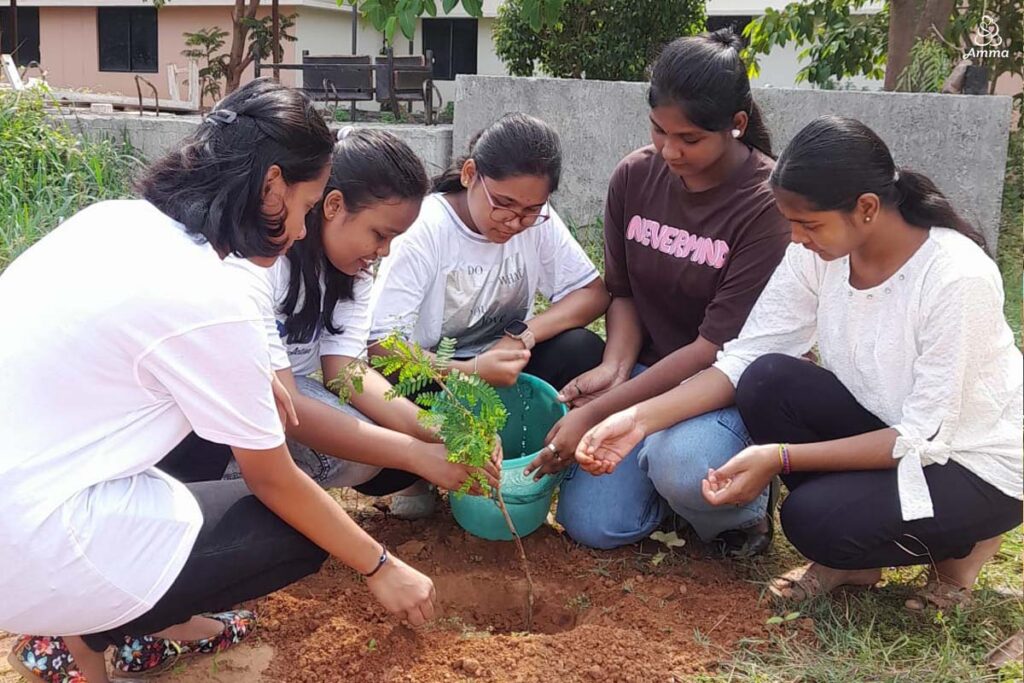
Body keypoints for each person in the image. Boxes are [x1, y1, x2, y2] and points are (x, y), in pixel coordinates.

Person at [1, 80, 435, 683]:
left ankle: (141, 620)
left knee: (222, 426)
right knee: (295, 532)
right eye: (307, 207)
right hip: (34, 545)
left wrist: (252, 377)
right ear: (273, 187)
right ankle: (84, 631)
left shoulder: (116, 222)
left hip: (25, 493)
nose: (304, 229)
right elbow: (275, 478)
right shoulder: (211, 296)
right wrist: (381, 564)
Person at [575, 115, 1023, 608]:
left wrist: (780, 457)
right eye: (792, 222)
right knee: (767, 377)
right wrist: (638, 419)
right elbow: (747, 355)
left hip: (968, 461)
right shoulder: (819, 253)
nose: (795, 238)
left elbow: (924, 437)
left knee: (812, 522)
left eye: (808, 224)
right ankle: (862, 557)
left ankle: (960, 553)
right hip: (887, 427)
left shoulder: (955, 278)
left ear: (867, 208)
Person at [529, 29, 791, 556]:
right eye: (658, 131)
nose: (669, 150)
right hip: (651, 372)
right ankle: (667, 488)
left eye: (689, 139)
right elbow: (622, 293)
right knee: (594, 526)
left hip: (722, 385)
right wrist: (617, 369)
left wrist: (595, 414)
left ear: (736, 126)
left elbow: (714, 348)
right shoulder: (634, 177)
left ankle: (739, 517)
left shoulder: (767, 205)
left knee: (683, 462)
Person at [224, 127, 499, 520]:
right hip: (239, 406)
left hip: (285, 403)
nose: (383, 251)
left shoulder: (353, 273)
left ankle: (274, 493)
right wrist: (417, 454)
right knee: (359, 439)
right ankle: (240, 491)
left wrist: (444, 430)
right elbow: (288, 401)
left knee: (367, 449)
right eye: (379, 235)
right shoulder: (266, 264)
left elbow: (346, 373)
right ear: (333, 206)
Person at [368, 112, 608, 394]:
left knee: (582, 349)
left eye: (531, 210)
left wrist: (521, 335)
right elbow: (380, 346)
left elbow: (592, 293)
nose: (516, 222)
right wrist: (472, 370)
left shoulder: (535, 218)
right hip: (436, 377)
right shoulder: (425, 228)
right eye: (503, 203)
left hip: (505, 368)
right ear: (470, 174)